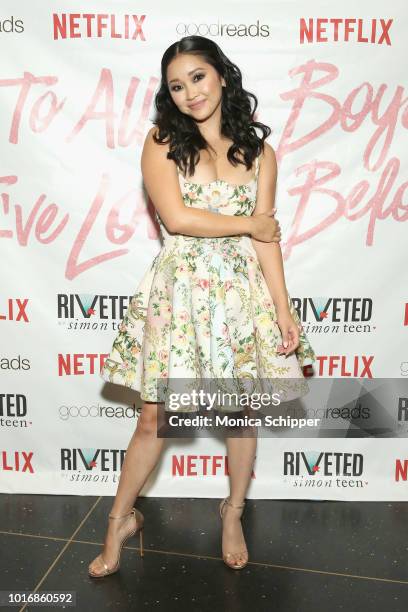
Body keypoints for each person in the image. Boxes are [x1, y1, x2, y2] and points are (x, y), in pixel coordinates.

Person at [88, 35, 316, 577]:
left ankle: (232, 512)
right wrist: (251, 223)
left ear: (220, 74)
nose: (190, 91)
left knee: (240, 412)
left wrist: (284, 311)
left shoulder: (261, 153)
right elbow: (178, 218)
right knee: (154, 419)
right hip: (180, 292)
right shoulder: (162, 140)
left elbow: (267, 240)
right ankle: (117, 520)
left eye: (197, 76)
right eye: (176, 85)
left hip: (240, 295)